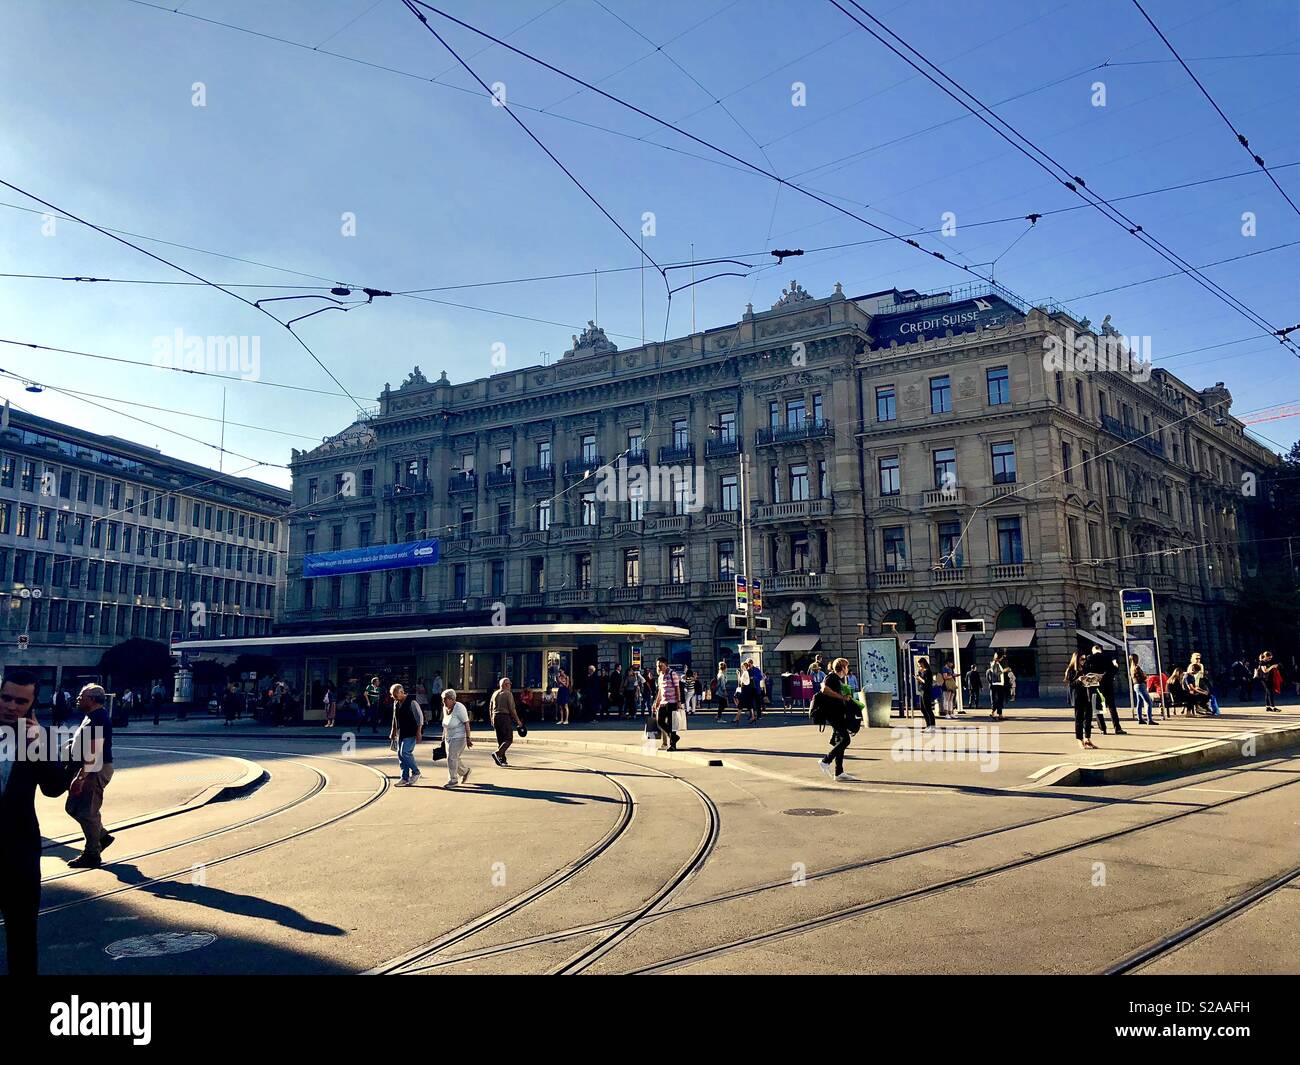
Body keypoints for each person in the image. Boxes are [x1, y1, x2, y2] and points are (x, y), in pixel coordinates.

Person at [0, 668, 77, 974]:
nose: (11, 706)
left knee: (22, 938)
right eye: (6, 698)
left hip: (19, 853)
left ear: (31, 705)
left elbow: (54, 788)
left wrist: (41, 745)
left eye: (20, 702)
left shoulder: (37, 738)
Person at [65, 684, 115, 868]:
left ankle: (92, 853)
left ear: (92, 699)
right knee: (73, 808)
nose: (78, 698)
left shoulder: (99, 719)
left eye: (81, 695)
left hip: (94, 770)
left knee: (87, 812)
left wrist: (81, 776)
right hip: (88, 769)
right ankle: (101, 836)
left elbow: (94, 752)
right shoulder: (90, 716)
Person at [816, 657, 861, 781]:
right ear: (842, 668)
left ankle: (839, 772)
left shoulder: (838, 679)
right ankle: (825, 760)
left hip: (838, 713)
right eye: (846, 666)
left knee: (839, 741)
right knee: (845, 740)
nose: (848, 669)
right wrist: (841, 697)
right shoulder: (832, 677)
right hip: (832, 714)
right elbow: (824, 689)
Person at [1084, 645, 1125, 735]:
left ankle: (1103, 729)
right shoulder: (1107, 657)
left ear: (1093, 650)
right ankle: (1117, 728)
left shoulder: (1089, 658)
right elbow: (1113, 670)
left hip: (1095, 686)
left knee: (1098, 707)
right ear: (1100, 650)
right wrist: (1115, 666)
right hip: (1108, 685)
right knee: (1112, 706)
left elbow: (1086, 671)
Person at [388, 682, 422, 786]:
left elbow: (419, 718)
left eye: (396, 695)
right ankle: (404, 777)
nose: (394, 698)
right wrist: (393, 731)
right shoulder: (396, 703)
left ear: (402, 692)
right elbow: (395, 718)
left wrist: (419, 732)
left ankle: (416, 772)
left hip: (411, 731)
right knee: (400, 754)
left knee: (405, 753)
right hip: (401, 732)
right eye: (393, 696)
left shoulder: (412, 702)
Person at [440, 688, 473, 788]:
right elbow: (445, 724)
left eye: (445, 699)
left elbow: (466, 723)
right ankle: (465, 771)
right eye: (442, 699)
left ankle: (453, 780)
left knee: (451, 758)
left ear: (452, 699)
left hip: (459, 736)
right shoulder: (445, 708)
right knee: (453, 758)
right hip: (448, 737)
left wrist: (468, 738)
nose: (443, 701)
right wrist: (443, 736)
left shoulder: (459, 708)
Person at [1064, 653, 1097, 750]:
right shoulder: (1071, 671)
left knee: (1088, 718)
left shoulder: (1085, 669)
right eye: (1082, 659)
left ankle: (1087, 738)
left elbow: (1089, 680)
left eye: (1084, 659)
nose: (1084, 661)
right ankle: (1080, 739)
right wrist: (1079, 680)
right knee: (1079, 719)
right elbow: (1071, 685)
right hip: (1078, 697)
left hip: (1087, 696)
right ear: (1076, 659)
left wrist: (1094, 679)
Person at [489, 678, 523, 767]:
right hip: (504, 717)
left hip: (495, 716)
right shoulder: (508, 694)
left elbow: (490, 707)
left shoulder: (495, 693)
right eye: (509, 684)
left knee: (500, 739)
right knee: (508, 738)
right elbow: (512, 709)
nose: (510, 685)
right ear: (505, 684)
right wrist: (518, 720)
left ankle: (502, 759)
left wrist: (492, 718)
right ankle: (498, 753)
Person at [651, 657, 682, 751]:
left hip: (672, 702)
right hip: (663, 702)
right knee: (660, 721)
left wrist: (679, 702)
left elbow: (677, 689)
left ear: (666, 665)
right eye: (657, 665)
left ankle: (672, 745)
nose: (659, 667)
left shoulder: (673, 674)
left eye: (661, 665)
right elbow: (660, 691)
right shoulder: (660, 676)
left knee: (672, 724)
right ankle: (673, 737)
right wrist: (656, 702)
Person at [1130, 655, 1156, 725]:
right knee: (1149, 701)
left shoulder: (1131, 668)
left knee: (1140, 702)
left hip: (1136, 685)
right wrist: (1145, 677)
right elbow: (1141, 677)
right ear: (1136, 659)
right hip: (1141, 685)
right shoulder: (1137, 667)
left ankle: (1140, 719)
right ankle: (1149, 719)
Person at [914, 656, 937, 731]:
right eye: (919, 665)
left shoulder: (927, 671)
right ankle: (928, 725)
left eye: (920, 664)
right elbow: (921, 681)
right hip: (922, 690)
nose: (920, 666)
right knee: (922, 709)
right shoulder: (920, 671)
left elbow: (926, 682)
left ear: (923, 663)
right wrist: (918, 677)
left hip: (927, 690)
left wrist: (919, 678)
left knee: (928, 708)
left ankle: (932, 726)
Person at [985, 652, 1008, 721]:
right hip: (996, 684)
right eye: (1001, 658)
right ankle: (993, 713)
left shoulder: (997, 664)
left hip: (998, 684)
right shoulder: (994, 664)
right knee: (997, 700)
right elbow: (996, 673)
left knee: (999, 699)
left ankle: (999, 714)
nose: (1002, 659)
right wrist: (1004, 671)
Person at [734, 659, 756, 725]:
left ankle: (737, 719)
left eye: (743, 666)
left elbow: (741, 682)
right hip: (746, 689)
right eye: (742, 666)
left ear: (745, 667)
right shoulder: (745, 672)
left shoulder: (745, 672)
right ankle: (752, 717)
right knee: (748, 704)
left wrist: (738, 675)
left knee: (741, 705)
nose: (742, 667)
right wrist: (738, 675)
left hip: (745, 690)